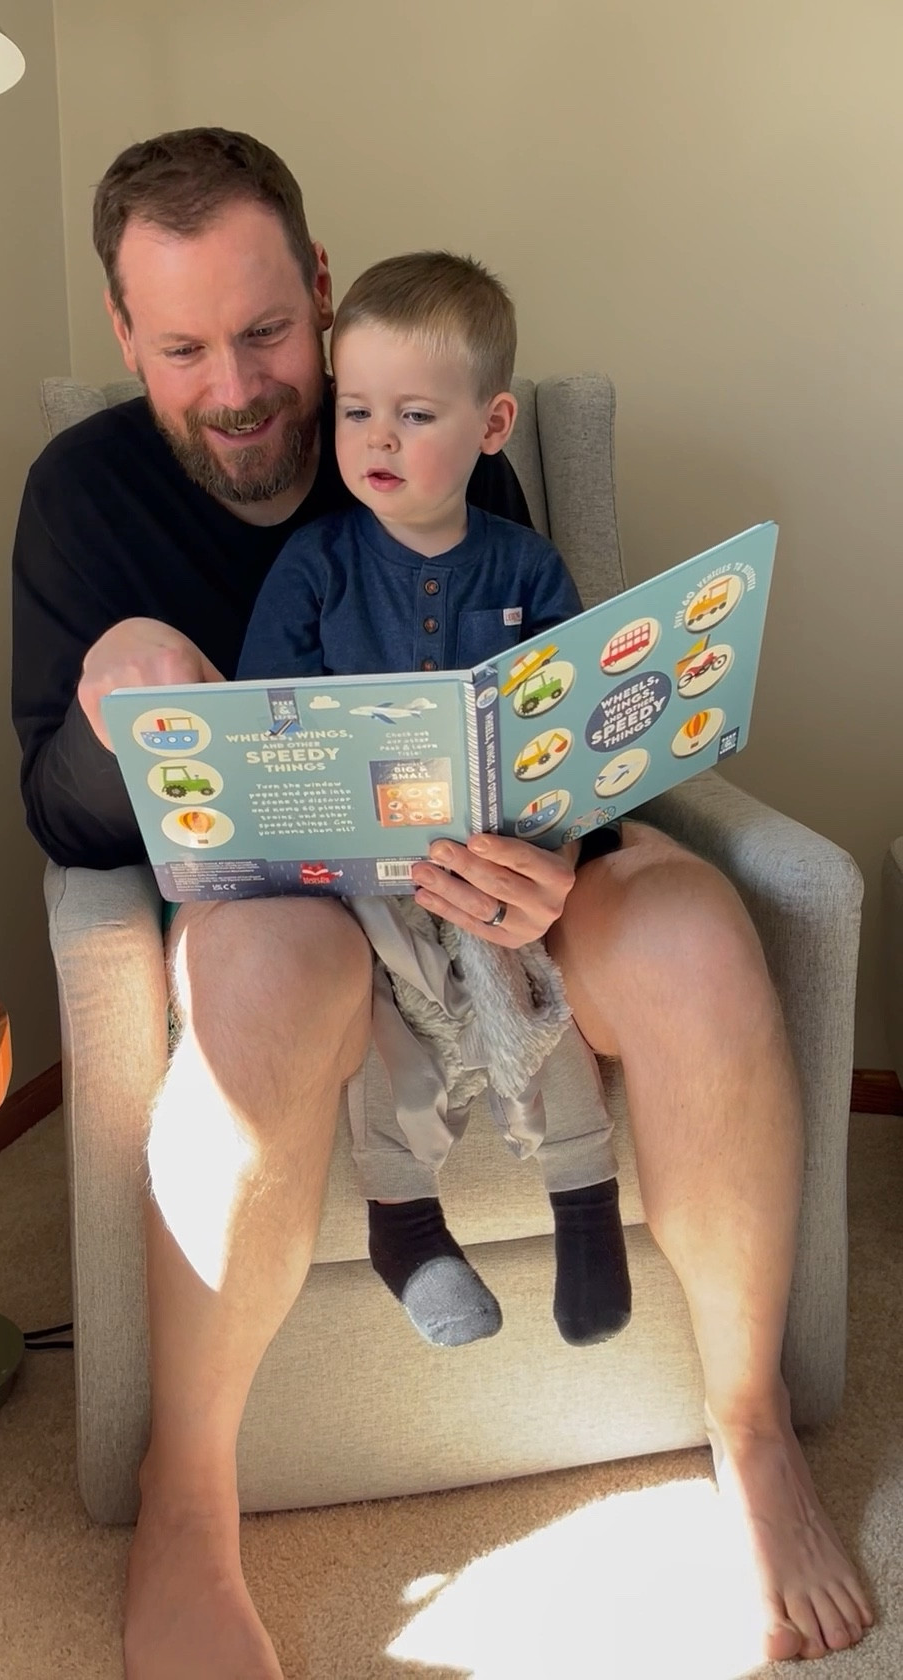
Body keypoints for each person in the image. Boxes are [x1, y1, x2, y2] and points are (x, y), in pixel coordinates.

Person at [12, 127, 872, 1678]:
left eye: (272, 333)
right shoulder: (84, 495)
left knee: (692, 933)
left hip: (497, 877)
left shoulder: (443, 420)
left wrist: (558, 835)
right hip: (286, 907)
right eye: (187, 346)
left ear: (323, 294)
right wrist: (109, 701)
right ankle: (187, 1509)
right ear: (124, 334)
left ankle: (748, 1432)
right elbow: (58, 812)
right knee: (268, 980)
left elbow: (533, 695)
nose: (241, 386)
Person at [237, 249, 632, 1352]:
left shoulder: (526, 568)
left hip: (503, 864)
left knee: (541, 990)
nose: (376, 439)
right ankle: (404, 1219)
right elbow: (265, 726)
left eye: (413, 414)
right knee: (385, 1018)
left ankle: (583, 1201)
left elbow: (574, 726)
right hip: (367, 879)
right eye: (355, 410)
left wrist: (559, 831)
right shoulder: (315, 567)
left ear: (492, 425)